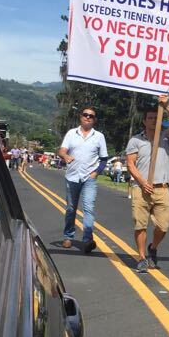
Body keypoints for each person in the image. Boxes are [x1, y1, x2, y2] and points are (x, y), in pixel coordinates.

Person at [125, 95, 169, 273]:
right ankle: (142, 258)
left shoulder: (166, 137)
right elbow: (130, 164)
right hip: (141, 189)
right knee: (140, 224)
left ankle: (153, 248)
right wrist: (142, 182)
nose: (153, 120)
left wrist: (167, 106)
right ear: (144, 121)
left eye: (156, 117)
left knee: (164, 225)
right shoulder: (136, 140)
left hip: (162, 188)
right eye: (150, 118)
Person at [58, 105, 108, 254]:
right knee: (71, 208)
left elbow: (104, 159)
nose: (87, 117)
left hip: (89, 178)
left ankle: (87, 240)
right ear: (81, 117)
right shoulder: (71, 133)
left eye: (91, 116)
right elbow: (62, 150)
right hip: (72, 177)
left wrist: (96, 173)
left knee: (88, 209)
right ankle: (68, 236)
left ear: (94, 120)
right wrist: (65, 156)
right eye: (85, 114)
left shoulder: (99, 136)